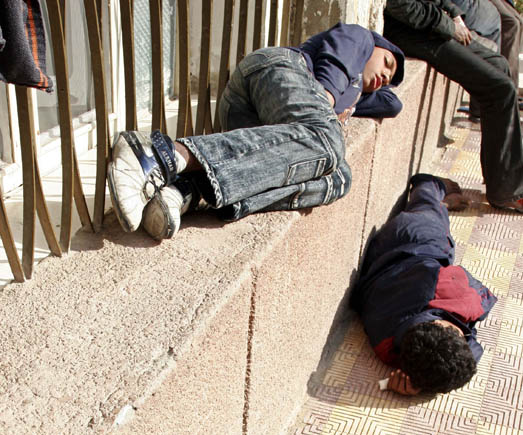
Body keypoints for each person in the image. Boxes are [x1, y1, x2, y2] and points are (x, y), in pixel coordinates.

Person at [107, 23, 404, 241]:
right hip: (276, 73)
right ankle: (159, 154)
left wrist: (352, 103)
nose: (383, 77)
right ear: (376, 45)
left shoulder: (357, 92)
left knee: (341, 178)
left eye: (387, 79)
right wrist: (327, 103)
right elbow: (333, 68)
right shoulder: (360, 39)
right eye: (386, 63)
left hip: (257, 125)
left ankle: (189, 188)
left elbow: (392, 104)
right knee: (329, 142)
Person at [351, 174, 497, 396]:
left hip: (415, 235)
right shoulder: (387, 346)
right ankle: (437, 192)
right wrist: (417, 382)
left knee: (429, 208)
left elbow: (473, 345)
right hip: (386, 257)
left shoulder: (462, 299)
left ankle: (429, 184)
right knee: (433, 214)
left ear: (445, 326)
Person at [383, 0, 523, 213]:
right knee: (501, 88)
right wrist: (448, 26)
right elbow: (400, 6)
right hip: (413, 33)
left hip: (434, 25)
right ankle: (506, 192)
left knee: (499, 65)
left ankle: (502, 177)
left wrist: (455, 14)